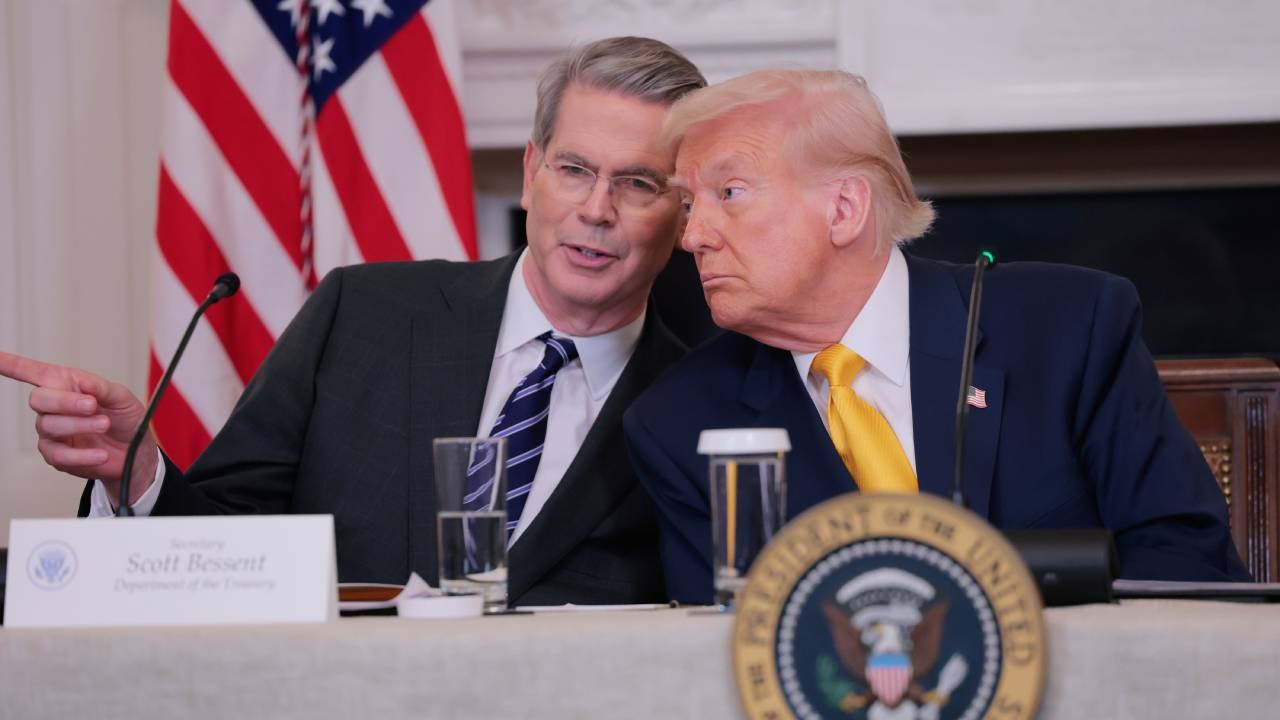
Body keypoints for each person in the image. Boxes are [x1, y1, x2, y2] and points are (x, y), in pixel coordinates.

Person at [0, 37, 707, 606]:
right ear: (531, 173)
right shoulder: (362, 315)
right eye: (574, 169)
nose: (596, 209)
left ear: (683, 215)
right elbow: (223, 543)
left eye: (637, 183)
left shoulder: (700, 405)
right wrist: (138, 472)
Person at [622, 69, 1251, 604]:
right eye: (688, 205)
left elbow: (1183, 567)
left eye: (729, 193)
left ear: (844, 209)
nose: (692, 236)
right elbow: (716, 649)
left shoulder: (1068, 329)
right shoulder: (679, 422)